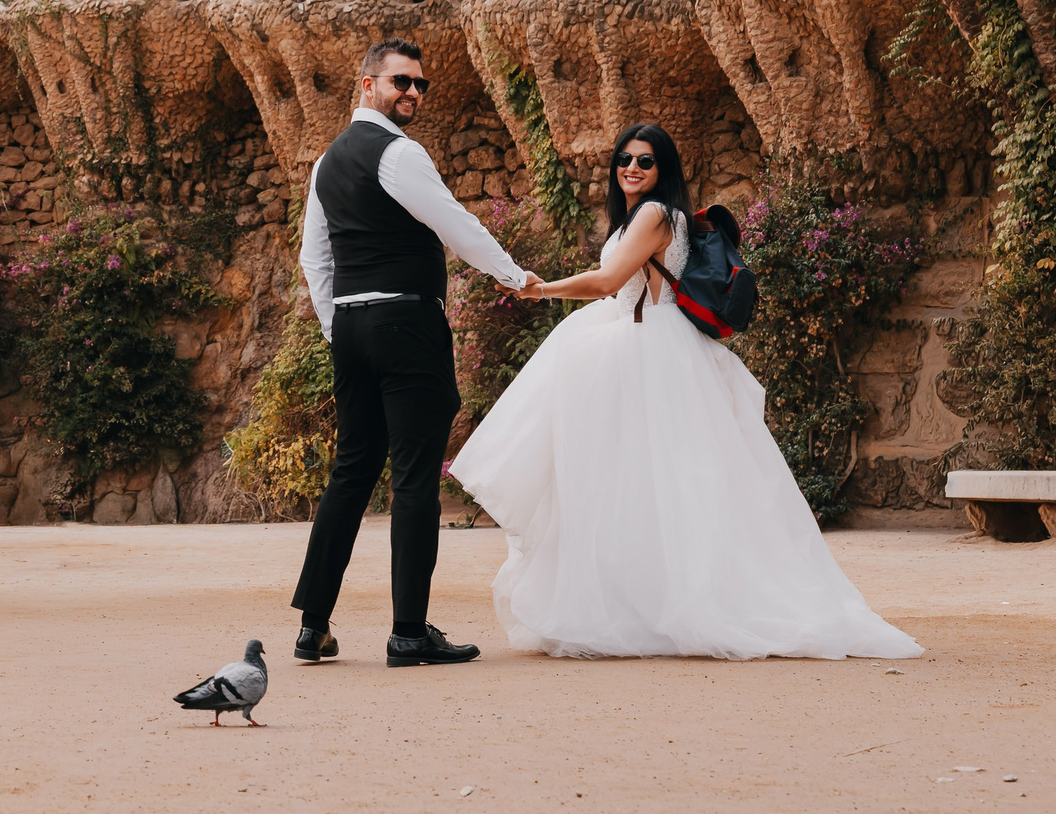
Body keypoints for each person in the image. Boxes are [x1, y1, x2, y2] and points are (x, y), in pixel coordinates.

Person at [449, 122, 922, 661]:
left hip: (649, 345)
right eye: (624, 159)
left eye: (644, 161)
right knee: (642, 482)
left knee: (659, 481)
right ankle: (640, 605)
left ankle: (666, 606)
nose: (631, 168)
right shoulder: (641, 216)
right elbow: (616, 278)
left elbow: (607, 283)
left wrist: (540, 290)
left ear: (664, 169)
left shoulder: (656, 214)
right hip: (640, 339)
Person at [290, 37, 542, 669]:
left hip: (352, 328)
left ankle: (312, 628)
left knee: (351, 472)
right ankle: (407, 634)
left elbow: (315, 260)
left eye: (420, 84)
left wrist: (340, 328)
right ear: (368, 84)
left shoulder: (325, 164)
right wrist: (516, 277)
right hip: (406, 323)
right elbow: (457, 225)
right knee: (413, 476)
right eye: (400, 81)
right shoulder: (399, 153)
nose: (412, 92)